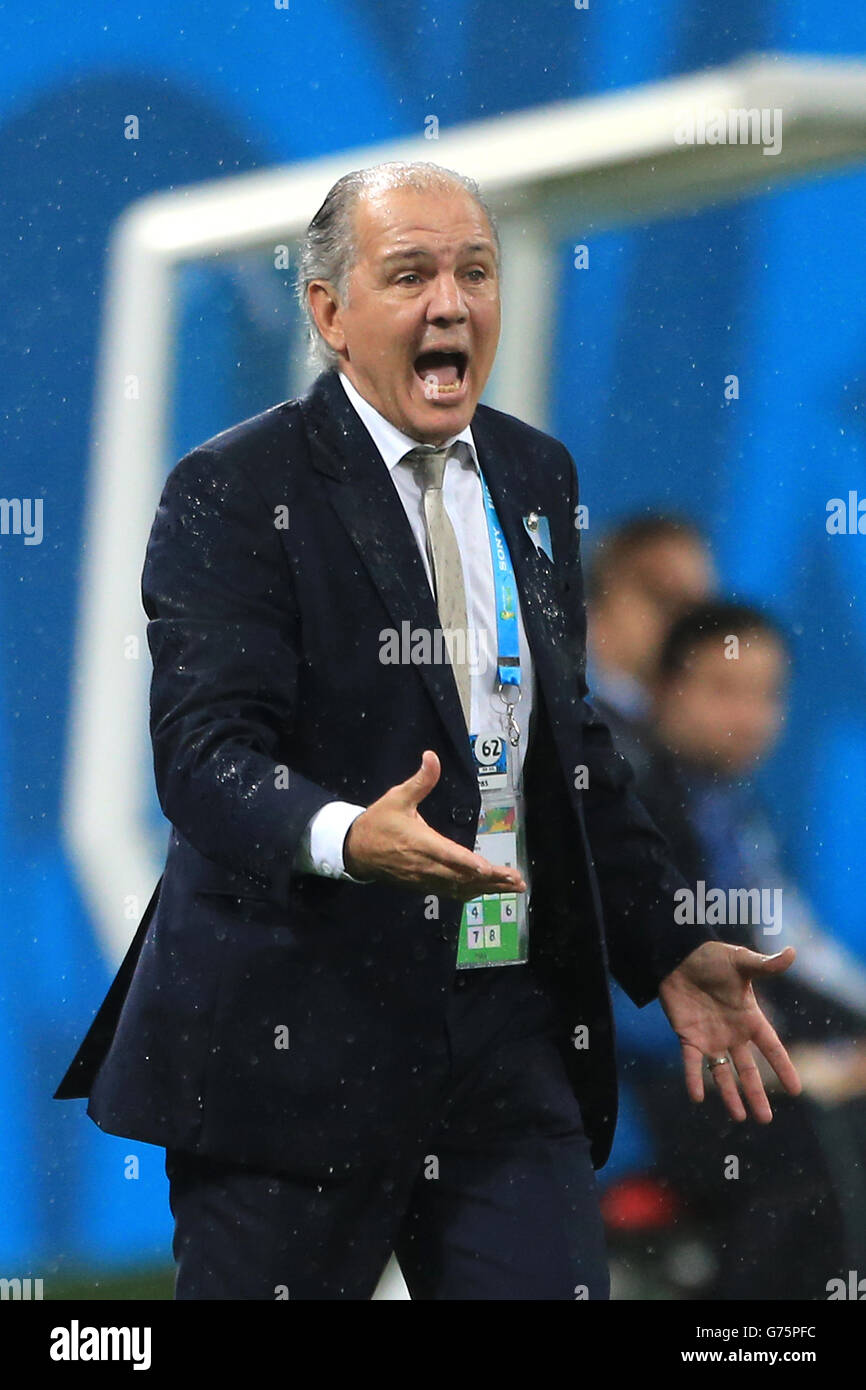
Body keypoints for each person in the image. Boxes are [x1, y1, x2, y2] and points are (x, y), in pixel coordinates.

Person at [55, 161, 801, 1301]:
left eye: (474, 271)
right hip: (294, 1039)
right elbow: (204, 759)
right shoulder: (231, 488)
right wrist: (352, 835)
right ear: (328, 312)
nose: (450, 302)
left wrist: (661, 942)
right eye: (409, 275)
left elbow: (572, 755)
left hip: (504, 1032)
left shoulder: (533, 474)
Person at [614, 600, 866, 1298]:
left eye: (767, 695)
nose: (750, 716)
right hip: (659, 1076)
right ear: (663, 691)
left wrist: (843, 1048)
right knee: (804, 1151)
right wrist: (804, 1064)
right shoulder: (625, 805)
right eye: (725, 690)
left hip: (739, 1055)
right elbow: (632, 989)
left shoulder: (736, 810)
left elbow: (787, 960)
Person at [585, 515, 716, 777]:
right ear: (595, 606)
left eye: (697, 612)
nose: (684, 625)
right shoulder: (570, 736)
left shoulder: (703, 757)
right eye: (663, 599)